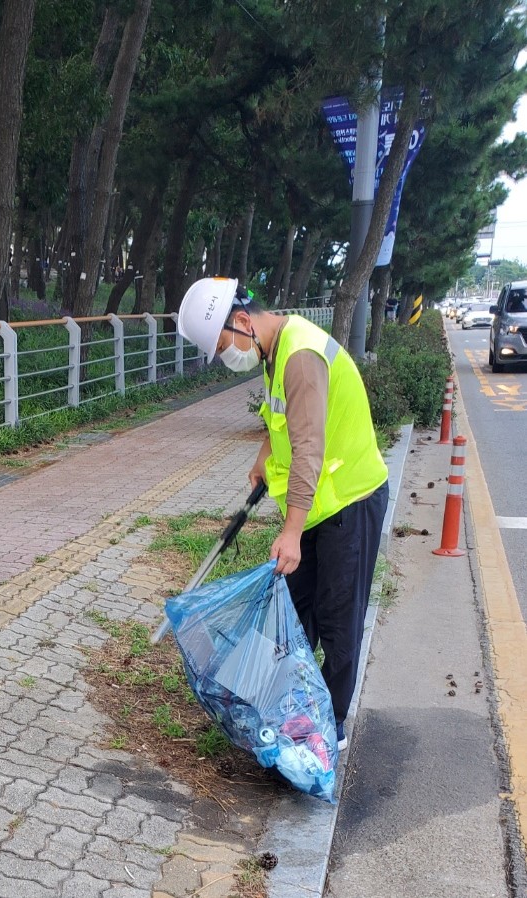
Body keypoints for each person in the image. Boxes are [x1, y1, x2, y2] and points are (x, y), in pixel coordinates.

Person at [178, 277, 389, 751]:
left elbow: (311, 448)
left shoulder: (299, 356)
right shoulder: (277, 349)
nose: (225, 357)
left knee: (338, 621)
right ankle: (291, 710)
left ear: (242, 321)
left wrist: (291, 531)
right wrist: (263, 454)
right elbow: (286, 420)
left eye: (222, 345)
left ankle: (327, 733)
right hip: (319, 505)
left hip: (349, 502)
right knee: (296, 613)